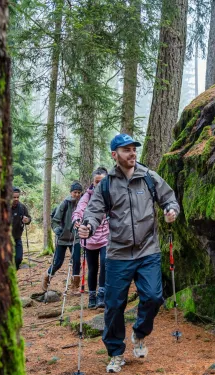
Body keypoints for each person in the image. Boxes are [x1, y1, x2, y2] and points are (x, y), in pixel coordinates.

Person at [78, 134, 180, 374]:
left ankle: (139, 333)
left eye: (134, 149)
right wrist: (88, 226)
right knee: (114, 306)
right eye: (126, 150)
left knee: (154, 297)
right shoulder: (106, 184)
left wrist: (171, 210)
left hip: (148, 251)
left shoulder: (148, 177)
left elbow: (169, 198)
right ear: (115, 155)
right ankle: (115, 353)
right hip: (118, 254)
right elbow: (94, 212)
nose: (132, 153)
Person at [72, 167, 110, 309]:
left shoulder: (110, 195)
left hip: (106, 237)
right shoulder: (86, 197)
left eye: (102, 181)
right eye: (96, 182)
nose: (99, 185)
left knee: (105, 264)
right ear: (92, 182)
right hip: (90, 237)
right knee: (93, 268)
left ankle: (102, 294)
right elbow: (79, 210)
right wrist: (76, 220)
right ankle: (92, 296)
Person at [42, 181, 83, 294]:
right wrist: (56, 230)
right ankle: (47, 277)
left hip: (76, 238)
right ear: (71, 192)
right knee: (58, 262)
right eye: (75, 192)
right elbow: (55, 220)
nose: (77, 194)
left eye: (79, 192)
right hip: (63, 237)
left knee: (76, 261)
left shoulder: (82, 204)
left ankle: (75, 286)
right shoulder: (65, 203)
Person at [11, 187, 32, 270]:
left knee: (19, 258)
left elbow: (29, 219)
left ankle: (14, 272)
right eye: (14, 197)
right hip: (5, 240)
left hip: (17, 238)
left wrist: (27, 220)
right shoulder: (4, 207)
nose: (16, 199)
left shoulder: (22, 207)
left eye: (17, 197)